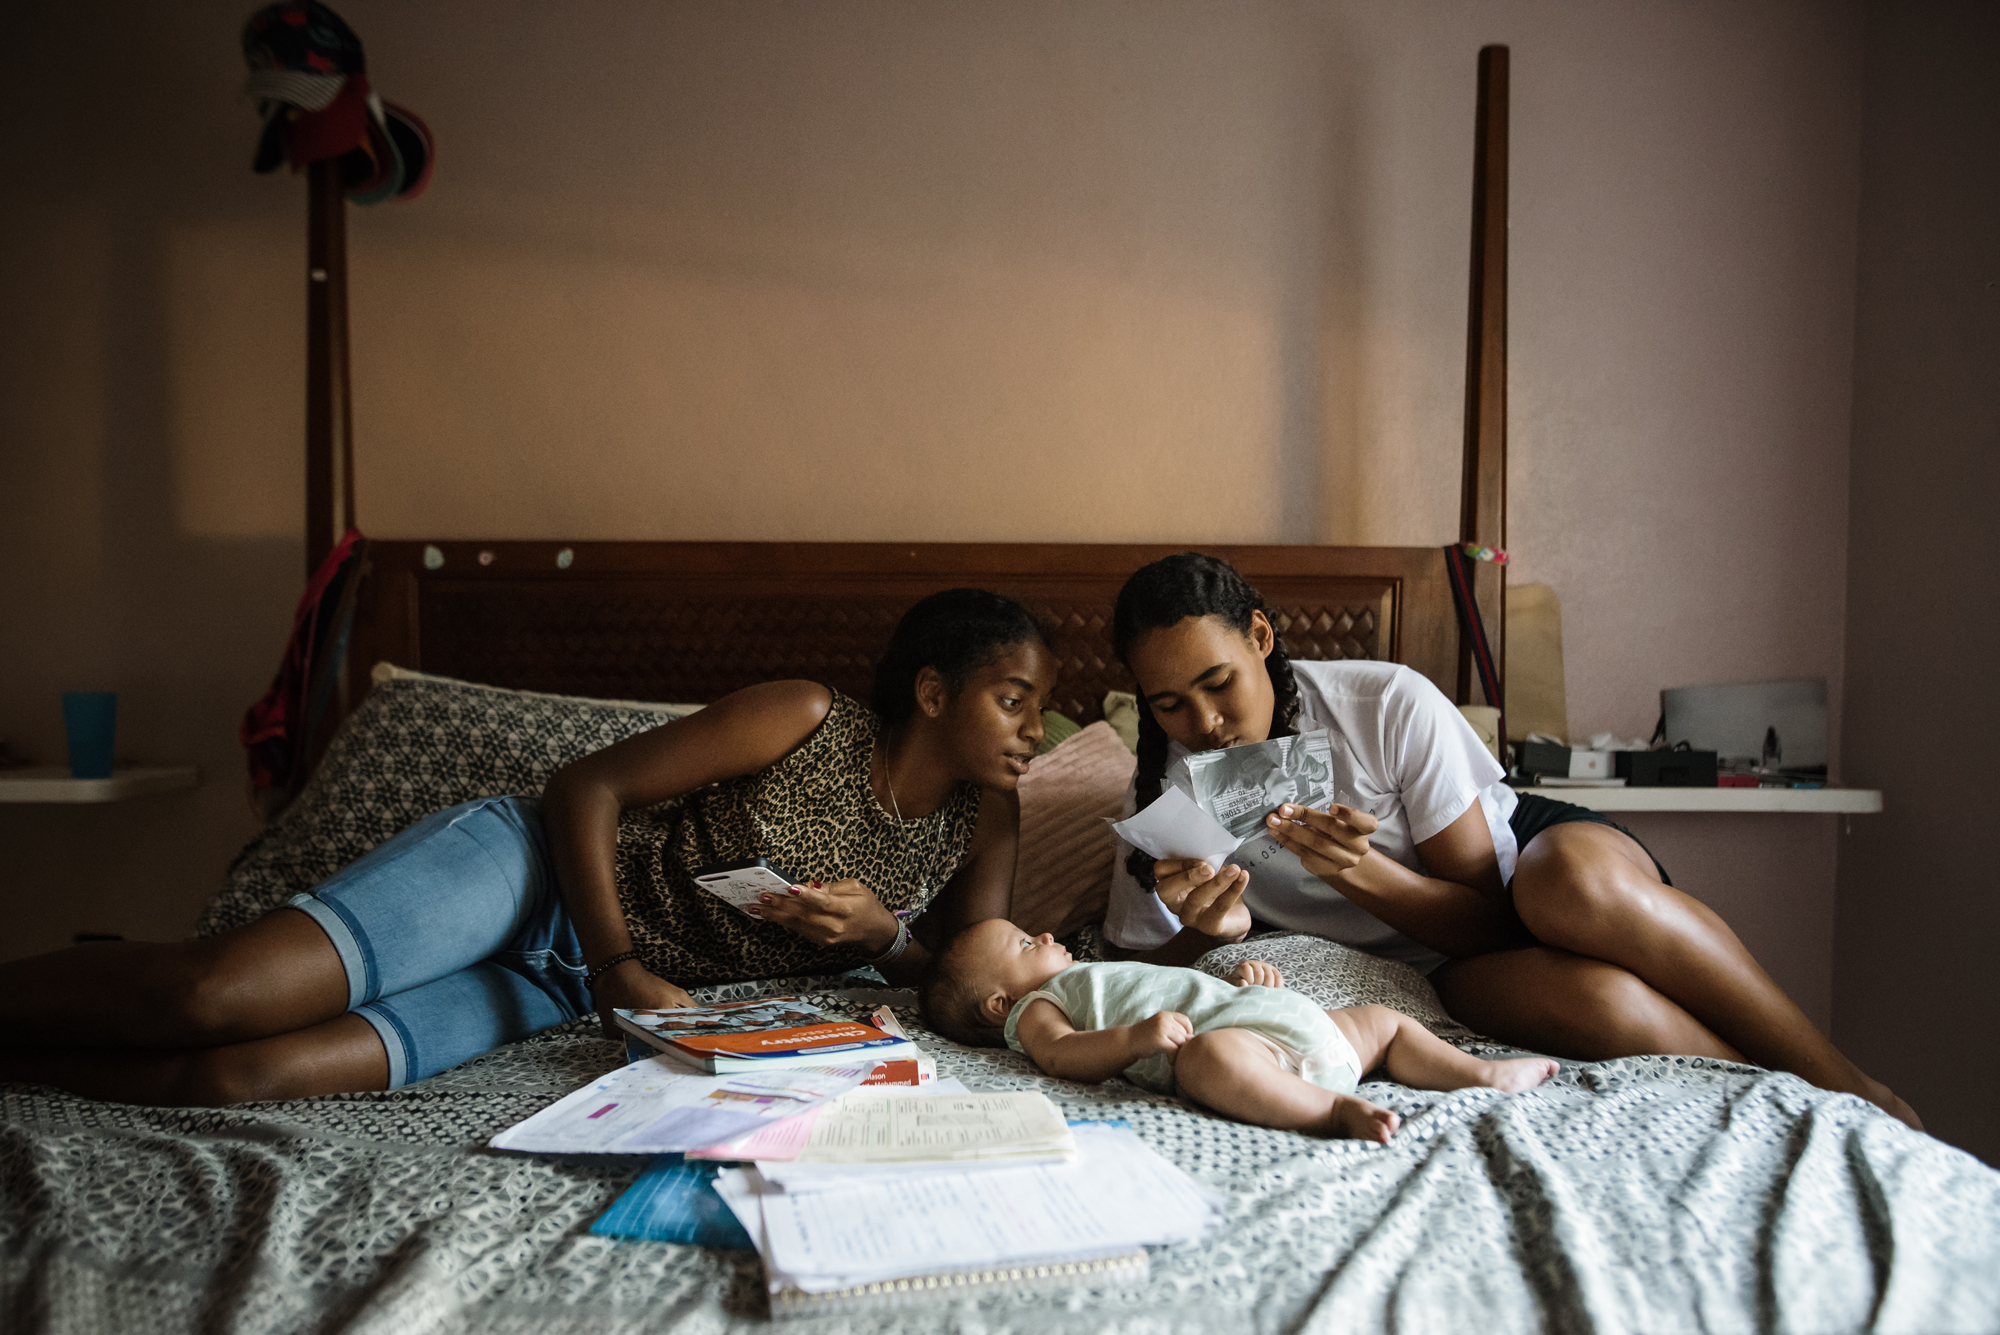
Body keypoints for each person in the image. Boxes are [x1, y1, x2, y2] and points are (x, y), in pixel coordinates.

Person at [0, 589, 1057, 1106]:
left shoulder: (987, 817)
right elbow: (583, 783)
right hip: (532, 881)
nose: (1031, 733)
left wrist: (885, 935)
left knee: (242, 1080)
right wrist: (618, 966)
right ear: (931, 692)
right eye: (1013, 702)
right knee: (211, 998)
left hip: (555, 992)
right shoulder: (805, 716)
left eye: (1040, 712)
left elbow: (965, 982)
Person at [1103, 552, 1921, 1130]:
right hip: (1441, 971)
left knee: (1568, 892)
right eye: (1170, 703)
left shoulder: (1382, 702)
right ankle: (1806, 1110)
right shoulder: (1164, 796)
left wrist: (1360, 876)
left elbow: (1492, 912)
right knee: (1598, 1005)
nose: (1206, 723)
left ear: (1259, 636)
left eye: (1218, 683)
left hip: (1518, 872)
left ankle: (1851, 1085)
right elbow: (1132, 969)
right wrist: (1208, 933)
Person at [921, 919, 1558, 1142]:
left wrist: (1252, 996)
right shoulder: (1037, 1010)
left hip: (1279, 1025)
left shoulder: (1089, 969)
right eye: (1028, 941)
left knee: (1385, 1025)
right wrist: (1136, 1040)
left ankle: (1480, 1074)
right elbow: (1061, 1058)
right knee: (1208, 1058)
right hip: (1253, 1056)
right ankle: (1329, 1111)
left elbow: (1189, 991)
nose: (1049, 936)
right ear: (998, 1004)